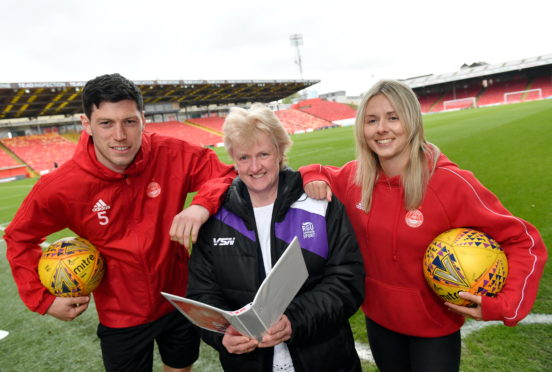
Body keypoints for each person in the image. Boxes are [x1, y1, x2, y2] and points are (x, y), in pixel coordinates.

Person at [299, 79, 548, 372]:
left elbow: (523, 240)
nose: (381, 128)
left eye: (393, 118)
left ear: (413, 122)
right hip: (379, 321)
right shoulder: (357, 178)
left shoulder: (449, 183)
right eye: (372, 120)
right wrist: (314, 176)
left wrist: (504, 304)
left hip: (434, 330)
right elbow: (318, 172)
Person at [5, 73, 236, 372]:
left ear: (143, 118)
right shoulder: (61, 186)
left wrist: (201, 206)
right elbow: (19, 237)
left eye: (129, 121)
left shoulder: (171, 153)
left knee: (180, 367)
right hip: (121, 315)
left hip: (179, 298)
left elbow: (227, 174)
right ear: (86, 125)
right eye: (106, 123)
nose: (119, 135)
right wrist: (43, 300)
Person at [185, 103, 365, 372]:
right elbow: (202, 294)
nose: (255, 167)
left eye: (264, 154)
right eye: (244, 157)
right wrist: (222, 336)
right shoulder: (214, 219)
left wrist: (295, 320)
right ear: (233, 157)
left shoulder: (319, 205)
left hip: (326, 360)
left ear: (280, 151)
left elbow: (347, 281)